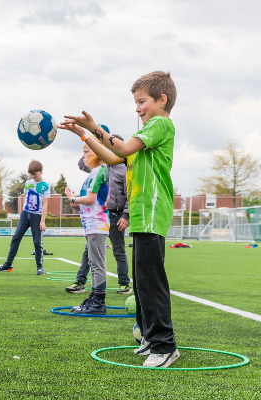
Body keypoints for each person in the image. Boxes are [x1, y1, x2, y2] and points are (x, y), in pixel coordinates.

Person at [59, 71, 180, 367]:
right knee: (140, 283)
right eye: (136, 103)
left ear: (161, 100)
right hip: (140, 217)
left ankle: (165, 346)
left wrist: (95, 126)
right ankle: (151, 337)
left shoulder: (160, 124)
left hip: (151, 214)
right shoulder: (146, 135)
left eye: (142, 102)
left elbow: (122, 147)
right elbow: (114, 157)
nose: (138, 108)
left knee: (151, 283)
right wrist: (84, 135)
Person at [66, 127, 131, 294]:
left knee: (118, 249)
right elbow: (82, 163)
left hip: (114, 216)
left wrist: (125, 215)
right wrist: (92, 143)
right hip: (99, 216)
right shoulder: (98, 168)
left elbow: (130, 196)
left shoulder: (124, 170)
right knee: (88, 251)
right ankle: (80, 281)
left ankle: (124, 282)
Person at [64, 140, 110, 315]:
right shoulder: (98, 172)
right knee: (93, 262)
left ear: (97, 152)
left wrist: (73, 198)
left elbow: (90, 200)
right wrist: (75, 199)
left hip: (96, 224)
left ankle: (98, 302)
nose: (83, 156)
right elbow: (90, 201)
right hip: (93, 224)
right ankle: (95, 297)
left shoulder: (99, 170)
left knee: (97, 264)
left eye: (86, 152)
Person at [0, 160, 49, 274]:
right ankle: (8, 264)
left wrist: (42, 221)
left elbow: (45, 204)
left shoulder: (45, 186)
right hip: (25, 214)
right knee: (16, 238)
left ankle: (40, 267)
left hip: (37, 216)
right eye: (31, 174)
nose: (33, 176)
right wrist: (23, 213)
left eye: (35, 174)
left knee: (37, 242)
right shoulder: (28, 183)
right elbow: (25, 197)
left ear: (41, 172)